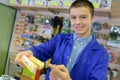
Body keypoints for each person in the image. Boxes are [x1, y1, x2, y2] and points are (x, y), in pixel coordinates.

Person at [14, 0, 109, 80]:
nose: (78, 22)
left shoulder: (101, 54)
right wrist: (26, 54)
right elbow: (40, 51)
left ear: (92, 18)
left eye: (83, 17)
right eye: (73, 17)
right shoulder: (59, 39)